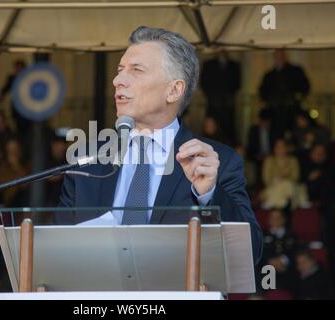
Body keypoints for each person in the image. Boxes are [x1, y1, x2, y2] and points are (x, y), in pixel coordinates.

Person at [56, 26, 262, 265]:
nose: (118, 80)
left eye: (136, 70)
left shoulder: (216, 161)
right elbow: (58, 248)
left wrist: (209, 195)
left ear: (174, 90)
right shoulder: (87, 158)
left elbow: (250, 253)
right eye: (120, 70)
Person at [259, 50, 310, 136]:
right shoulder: (269, 75)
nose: (279, 59)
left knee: (294, 134)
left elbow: (305, 88)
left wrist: (295, 98)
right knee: (276, 135)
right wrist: (271, 100)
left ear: (285, 57)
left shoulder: (296, 71)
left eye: (281, 56)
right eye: (276, 57)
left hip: (293, 110)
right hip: (275, 113)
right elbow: (262, 92)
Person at [200, 50, 241, 142]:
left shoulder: (235, 65)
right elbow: (203, 84)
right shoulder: (208, 65)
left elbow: (237, 85)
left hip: (228, 106)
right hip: (213, 105)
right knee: (210, 131)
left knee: (228, 132)